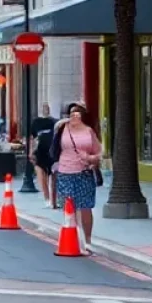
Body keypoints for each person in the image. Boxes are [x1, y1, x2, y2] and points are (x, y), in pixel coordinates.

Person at [52, 102, 102, 251]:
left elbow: (99, 152)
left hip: (84, 172)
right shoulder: (62, 128)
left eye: (78, 113)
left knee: (85, 206)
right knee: (69, 207)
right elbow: (55, 140)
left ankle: (87, 240)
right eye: (72, 113)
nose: (75, 116)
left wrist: (93, 160)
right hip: (65, 171)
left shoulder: (89, 132)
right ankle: (74, 236)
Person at [30, 102, 57, 206]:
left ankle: (53, 199)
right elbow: (32, 138)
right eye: (43, 107)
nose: (45, 109)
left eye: (47, 107)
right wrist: (31, 151)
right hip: (39, 151)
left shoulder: (53, 121)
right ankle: (47, 198)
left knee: (52, 175)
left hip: (51, 151)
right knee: (41, 173)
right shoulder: (36, 122)